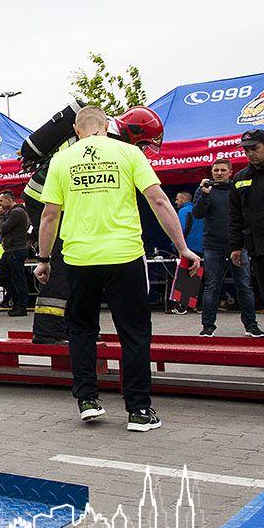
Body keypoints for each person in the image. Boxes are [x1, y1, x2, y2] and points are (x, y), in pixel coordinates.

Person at [35, 106, 200, 433]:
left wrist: (43, 258)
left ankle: (88, 401)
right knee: (134, 332)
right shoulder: (128, 153)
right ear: (106, 124)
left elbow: (50, 215)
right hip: (125, 256)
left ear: (76, 128)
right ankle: (139, 410)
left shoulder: (62, 160)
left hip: (80, 259)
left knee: (81, 330)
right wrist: (182, 247)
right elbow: (159, 201)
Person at [20, 100, 165, 345]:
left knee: (71, 261)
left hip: (54, 199)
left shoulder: (102, 134)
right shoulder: (111, 142)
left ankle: (73, 327)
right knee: (61, 260)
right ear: (134, 133)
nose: (142, 150)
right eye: (142, 144)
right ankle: (48, 330)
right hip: (44, 199)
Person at [194, 157, 263, 337]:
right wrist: (204, 194)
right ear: (212, 172)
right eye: (216, 170)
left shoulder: (238, 188)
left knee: (244, 285)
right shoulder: (204, 190)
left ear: (230, 172)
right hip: (213, 246)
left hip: (238, 246)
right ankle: (208, 327)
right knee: (212, 286)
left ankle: (251, 326)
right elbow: (198, 214)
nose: (218, 173)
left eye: (223, 170)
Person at [229, 129, 264, 315]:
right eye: (246, 150)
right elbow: (235, 215)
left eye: (255, 148)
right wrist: (236, 246)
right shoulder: (240, 178)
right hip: (257, 248)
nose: (250, 153)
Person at [0, 190, 31, 317]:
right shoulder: (12, 212)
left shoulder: (16, 212)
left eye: (1, 200)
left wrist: (1, 217)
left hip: (16, 249)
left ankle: (21, 306)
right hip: (11, 249)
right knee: (3, 274)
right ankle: (17, 301)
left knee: (18, 278)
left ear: (9, 199)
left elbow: (3, 229)